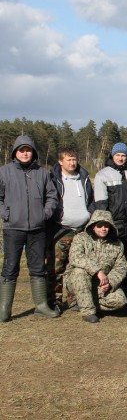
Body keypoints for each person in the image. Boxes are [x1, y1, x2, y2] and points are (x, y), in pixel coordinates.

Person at [0, 135, 59, 321]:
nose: (25, 153)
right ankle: (4, 309)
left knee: (37, 267)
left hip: (37, 228)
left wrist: (44, 214)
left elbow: (52, 196)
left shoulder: (43, 173)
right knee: (10, 268)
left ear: (33, 152)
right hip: (13, 228)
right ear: (15, 153)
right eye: (21, 150)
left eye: (28, 150)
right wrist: (6, 214)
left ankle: (41, 306)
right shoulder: (4, 172)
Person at [46, 147, 95, 310]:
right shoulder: (53, 178)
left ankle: (73, 299)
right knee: (56, 268)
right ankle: (55, 301)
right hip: (61, 229)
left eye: (74, 159)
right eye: (69, 160)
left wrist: (89, 215)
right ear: (60, 161)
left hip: (81, 230)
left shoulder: (84, 177)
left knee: (76, 267)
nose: (73, 162)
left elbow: (91, 201)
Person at [63, 210, 127, 323]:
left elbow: (120, 268)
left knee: (120, 300)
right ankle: (88, 312)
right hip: (77, 280)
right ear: (93, 226)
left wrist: (110, 283)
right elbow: (76, 257)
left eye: (106, 225)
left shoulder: (117, 244)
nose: (103, 228)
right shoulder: (80, 238)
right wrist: (98, 271)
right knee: (80, 272)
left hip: (100, 285)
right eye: (99, 225)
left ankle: (83, 301)